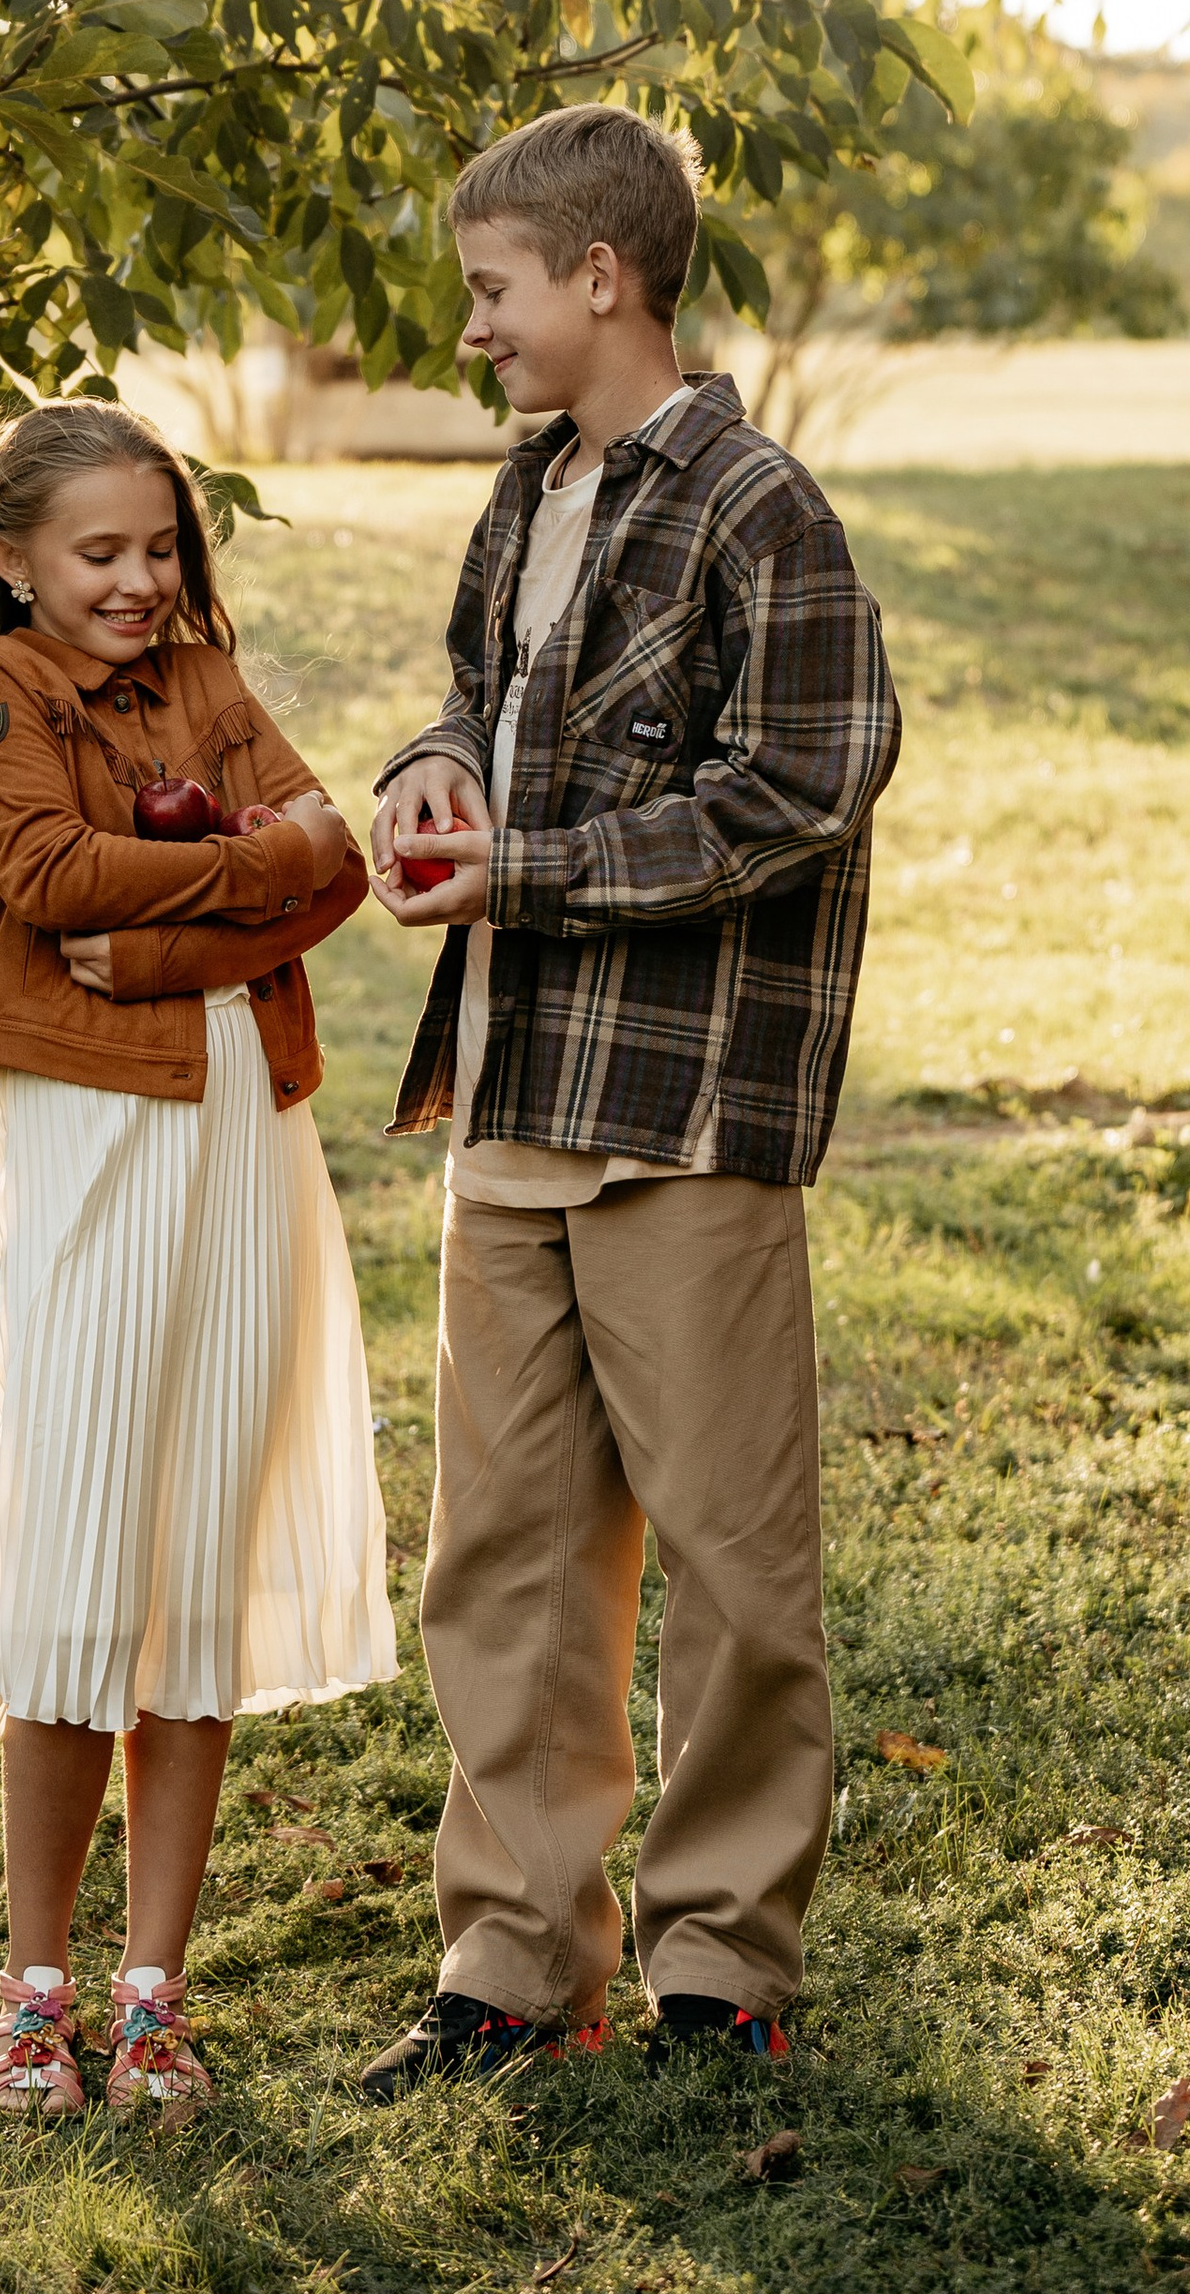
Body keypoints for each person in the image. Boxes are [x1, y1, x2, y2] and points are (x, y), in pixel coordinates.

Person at [355, 107, 900, 2096]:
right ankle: (512, 1970)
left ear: (601, 277)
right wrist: (432, 773)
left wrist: (525, 868)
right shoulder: (528, 494)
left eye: (492, 289)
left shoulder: (760, 508)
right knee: (504, 1557)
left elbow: (804, 784)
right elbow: (478, 697)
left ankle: (721, 1972)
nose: (472, 328)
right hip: (512, 1094)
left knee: (732, 1563)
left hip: (679, 1112)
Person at [0, 399, 394, 2123]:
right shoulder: (0, 692)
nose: (137, 582)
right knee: (78, 1549)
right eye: (98, 553)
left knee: (199, 1544)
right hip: (93, 1128)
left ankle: (151, 1995)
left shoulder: (208, 677)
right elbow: (45, 876)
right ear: (13, 558)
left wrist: (176, 932)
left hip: (244, 1127)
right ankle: (32, 1991)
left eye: (158, 549)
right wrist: (255, 865)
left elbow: (337, 866)